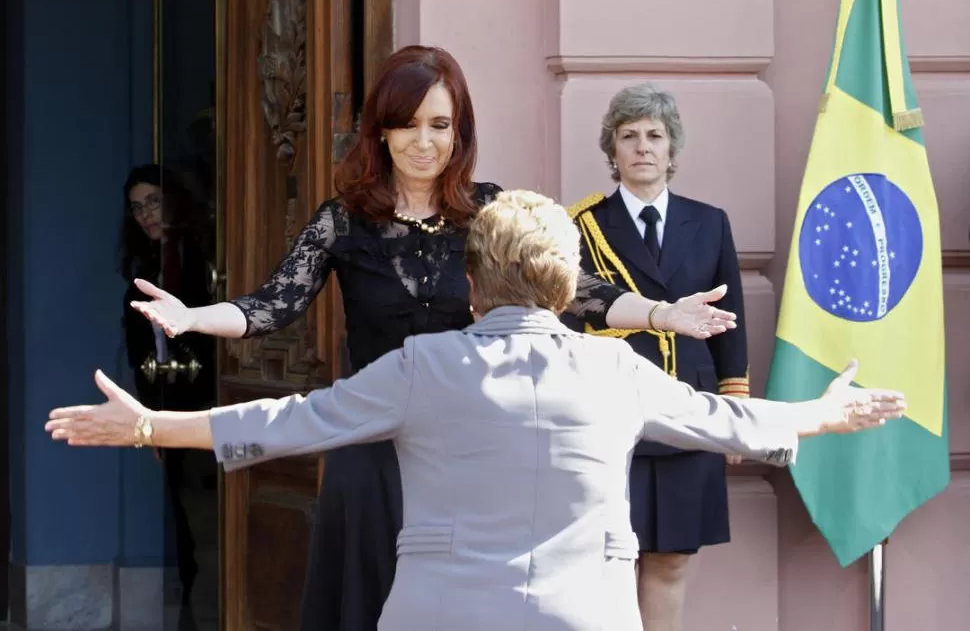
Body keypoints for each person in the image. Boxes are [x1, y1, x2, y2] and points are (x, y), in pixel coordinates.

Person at [47, 189, 906, 631]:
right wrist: (822, 413)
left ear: (470, 281)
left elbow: (289, 420)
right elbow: (734, 425)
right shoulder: (616, 370)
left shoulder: (422, 365)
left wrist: (150, 424)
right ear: (568, 287)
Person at [123, 46, 739, 631]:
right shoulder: (342, 220)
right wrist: (196, 316)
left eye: (440, 125)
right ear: (382, 132)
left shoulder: (488, 210)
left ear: (459, 132)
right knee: (367, 600)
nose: (424, 142)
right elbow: (272, 305)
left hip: (465, 450)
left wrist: (663, 314)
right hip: (370, 445)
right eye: (408, 124)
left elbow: (581, 289)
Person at [566, 84, 752, 630]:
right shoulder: (583, 226)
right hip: (610, 410)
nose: (642, 146)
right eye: (629, 136)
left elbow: (730, 319)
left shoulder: (710, 221)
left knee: (672, 557)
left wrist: (733, 406)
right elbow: (573, 315)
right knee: (612, 559)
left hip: (686, 409)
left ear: (673, 149)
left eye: (655, 135)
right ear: (612, 151)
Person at [120, 164, 216, 609]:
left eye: (153, 201)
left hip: (211, 401)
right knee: (185, 525)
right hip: (168, 407)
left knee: (212, 525)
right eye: (137, 207)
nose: (145, 214)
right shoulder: (143, 270)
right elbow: (144, 357)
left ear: (173, 198)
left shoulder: (203, 256)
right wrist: (148, 420)